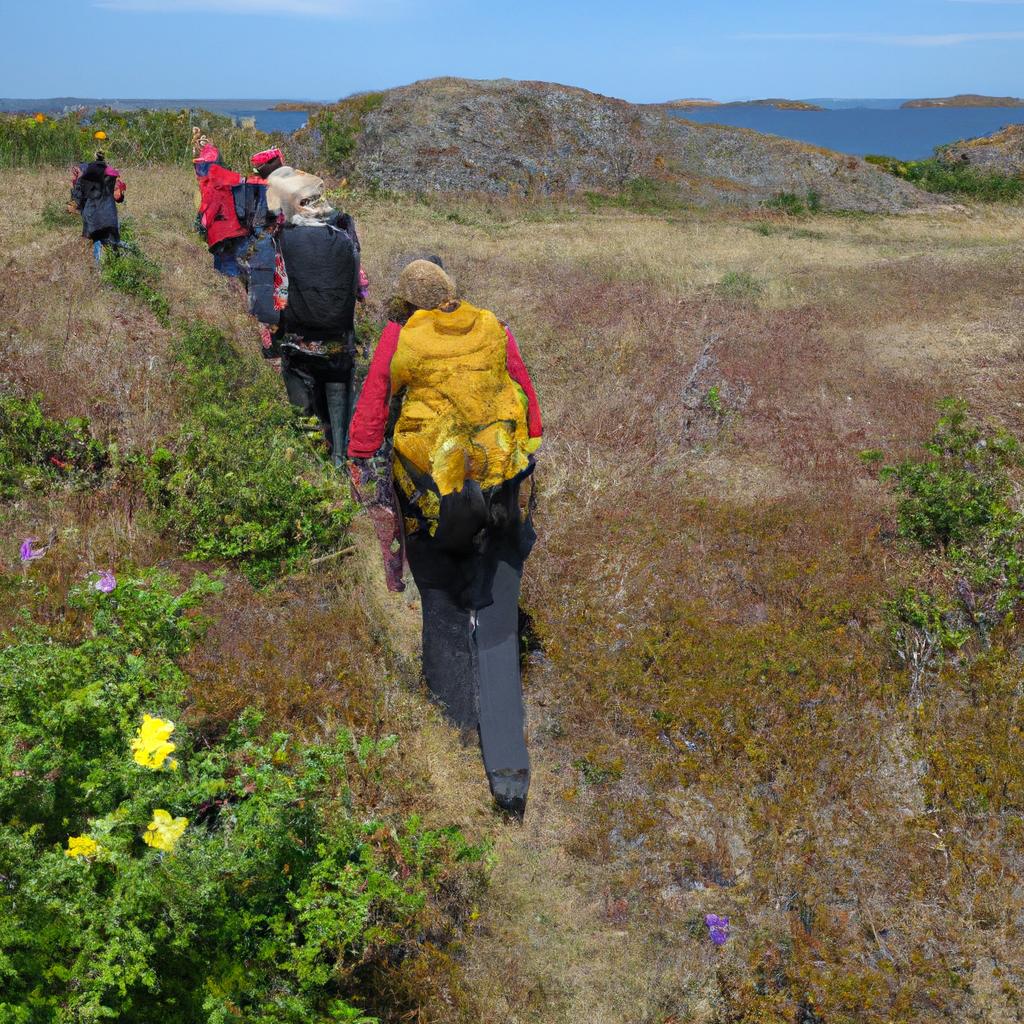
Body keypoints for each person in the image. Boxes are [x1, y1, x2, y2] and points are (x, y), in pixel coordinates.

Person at [347, 259, 543, 818]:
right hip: (500, 490)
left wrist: (368, 474)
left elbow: (368, 419)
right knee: (498, 622)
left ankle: (453, 741)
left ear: (406, 302)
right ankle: (509, 782)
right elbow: (532, 416)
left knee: (444, 608)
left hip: (433, 495)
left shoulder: (397, 336)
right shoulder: (492, 326)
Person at [260, 166, 363, 465]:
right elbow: (354, 287)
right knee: (338, 378)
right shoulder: (344, 238)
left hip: (301, 340)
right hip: (339, 339)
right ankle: (340, 456)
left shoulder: (284, 240)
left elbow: (278, 294)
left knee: (296, 373)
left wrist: (274, 332)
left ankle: (310, 456)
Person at [70, 136, 126, 264]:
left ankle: (99, 271)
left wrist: (76, 202)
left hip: (94, 216)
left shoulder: (85, 172)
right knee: (111, 243)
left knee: (99, 241)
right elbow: (118, 197)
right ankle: (113, 267)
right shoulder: (112, 173)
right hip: (109, 217)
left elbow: (78, 196)